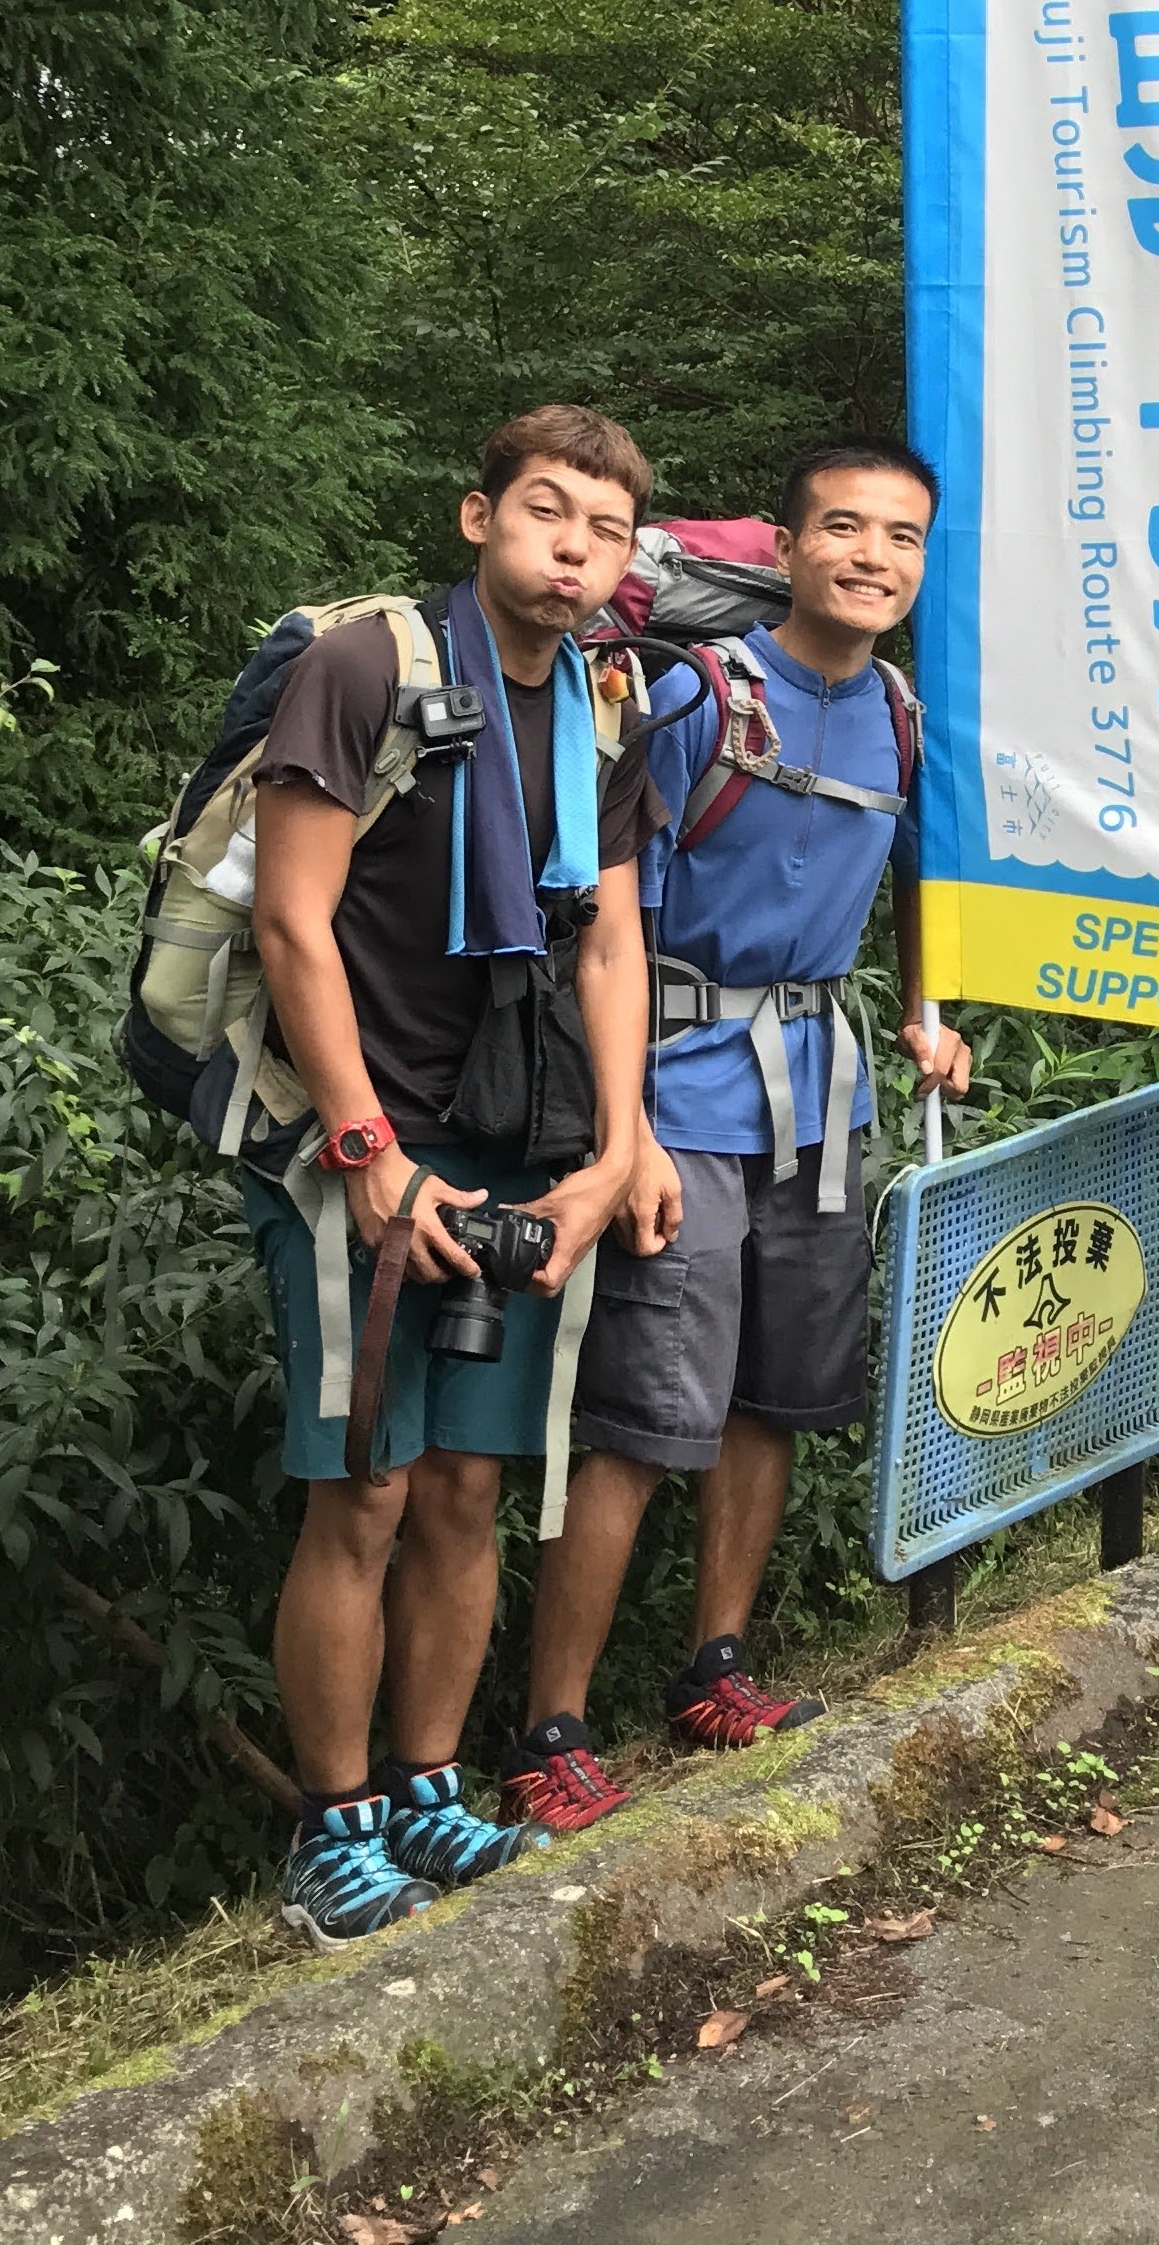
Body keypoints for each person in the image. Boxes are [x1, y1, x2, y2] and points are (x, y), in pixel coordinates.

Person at [502, 435, 972, 1829]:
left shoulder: (900, 713)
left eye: (901, 536)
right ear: (790, 542)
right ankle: (549, 1731)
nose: (872, 557)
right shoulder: (699, 696)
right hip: (679, 1098)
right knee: (647, 1418)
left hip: (823, 1095)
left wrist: (928, 1010)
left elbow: (920, 873)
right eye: (845, 527)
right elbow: (607, 921)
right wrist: (625, 1134)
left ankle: (717, 1670)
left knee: (778, 1395)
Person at [244, 406, 663, 1943]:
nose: (574, 549)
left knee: (471, 1490)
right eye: (548, 512)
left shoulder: (605, 701)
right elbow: (292, 920)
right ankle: (333, 1828)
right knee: (364, 1491)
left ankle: (429, 1788)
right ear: (478, 516)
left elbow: (611, 940)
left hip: (520, 1135)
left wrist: (618, 1149)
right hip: (354, 1136)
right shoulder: (366, 669)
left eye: (605, 530)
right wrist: (368, 1153)